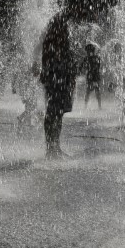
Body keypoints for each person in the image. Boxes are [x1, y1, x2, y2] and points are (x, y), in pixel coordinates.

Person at [39, 12, 76, 159]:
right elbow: (47, 61)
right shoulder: (51, 41)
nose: (67, 28)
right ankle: (50, 148)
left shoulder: (61, 40)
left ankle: (55, 146)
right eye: (65, 25)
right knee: (52, 112)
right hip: (55, 79)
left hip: (61, 78)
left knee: (58, 113)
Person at [80, 43, 102, 109]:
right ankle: (88, 106)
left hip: (93, 76)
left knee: (93, 91)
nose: (87, 52)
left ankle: (98, 106)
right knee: (90, 91)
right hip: (92, 76)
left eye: (88, 51)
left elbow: (97, 67)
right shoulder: (91, 58)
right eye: (87, 51)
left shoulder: (94, 58)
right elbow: (81, 67)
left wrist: (84, 69)